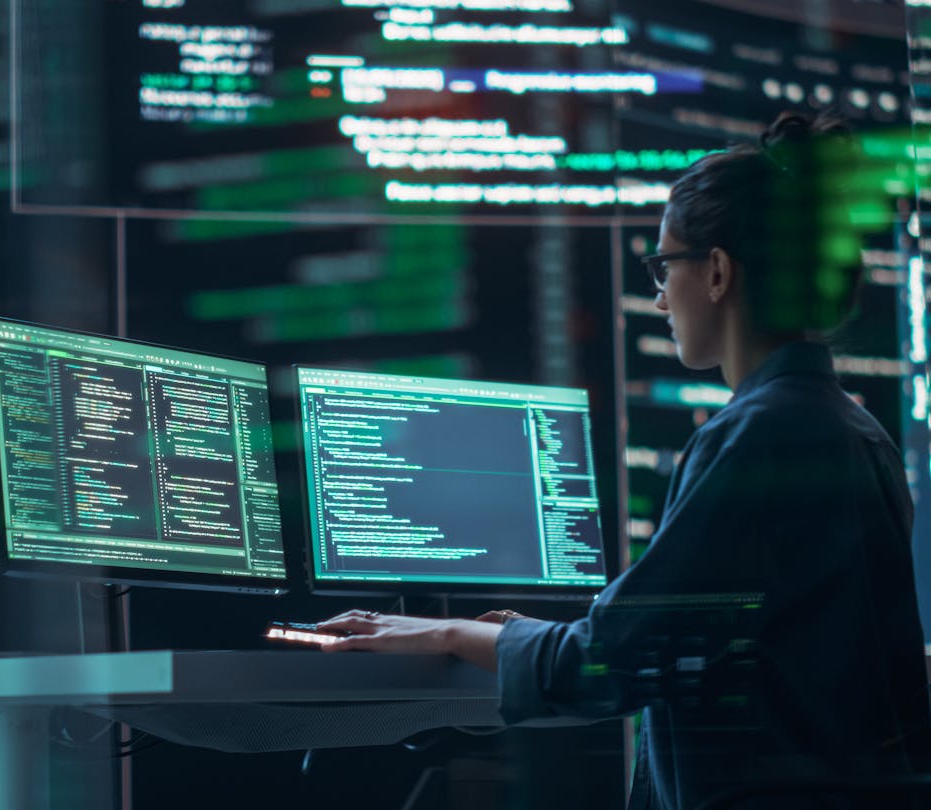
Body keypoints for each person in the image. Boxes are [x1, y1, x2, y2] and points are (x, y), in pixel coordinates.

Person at [317, 112, 931, 809]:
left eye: (663, 265)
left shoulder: (762, 434)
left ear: (719, 271)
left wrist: (447, 632)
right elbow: (678, 637)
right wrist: (518, 635)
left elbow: (611, 660)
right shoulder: (851, 428)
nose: (660, 295)